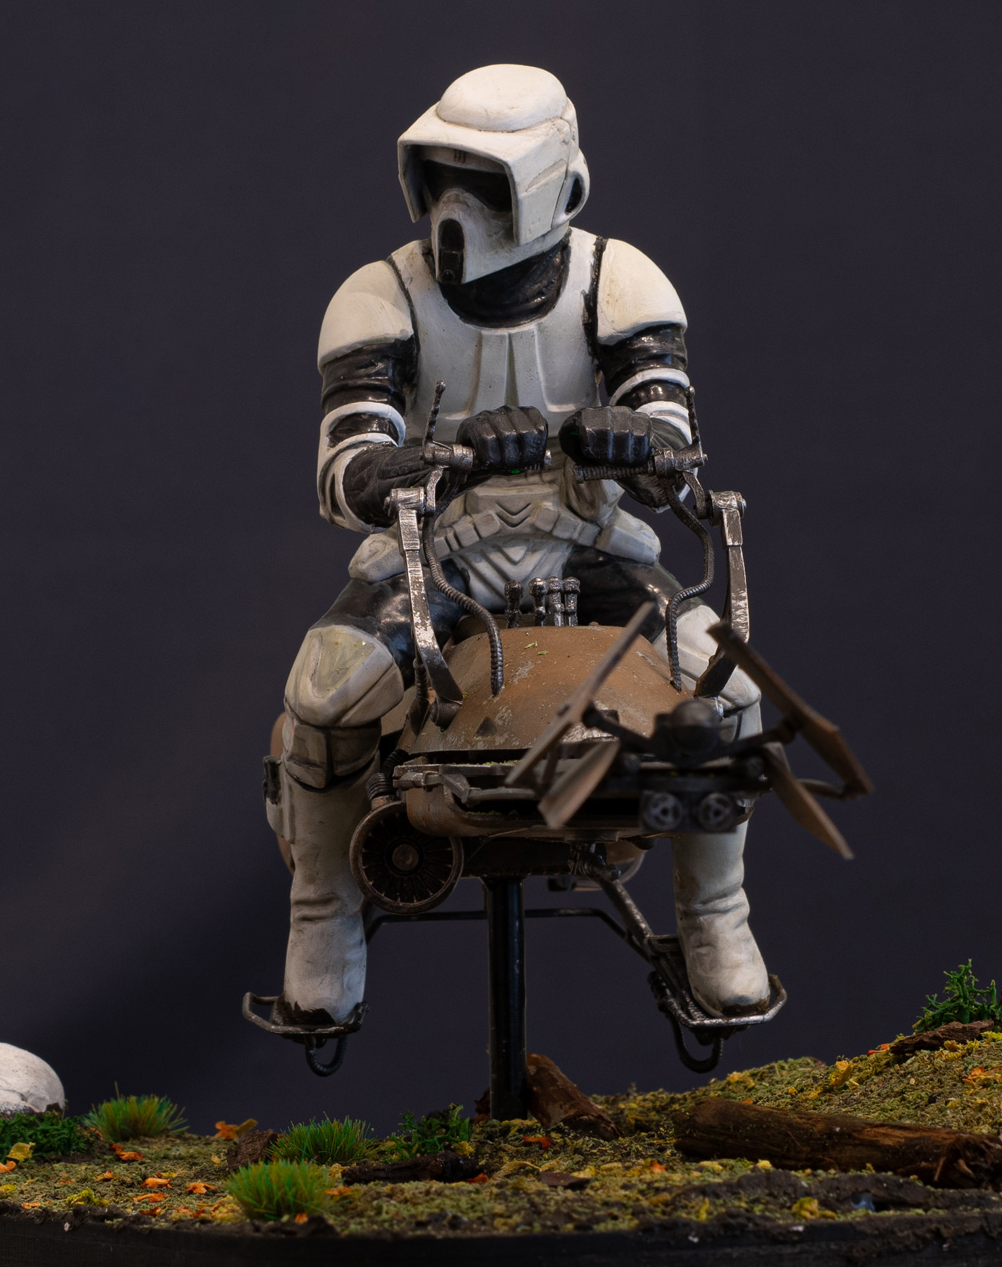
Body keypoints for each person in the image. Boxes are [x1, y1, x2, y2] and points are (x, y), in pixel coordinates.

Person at [267, 64, 768, 1030]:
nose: (454, 210)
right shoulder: (380, 297)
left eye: (482, 183)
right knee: (324, 691)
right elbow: (348, 472)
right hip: (435, 552)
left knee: (730, 689)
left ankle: (717, 913)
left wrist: (633, 444)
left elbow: (676, 450)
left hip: (589, 542)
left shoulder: (619, 283)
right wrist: (441, 461)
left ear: (552, 188)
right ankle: (322, 911)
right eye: (442, 176)